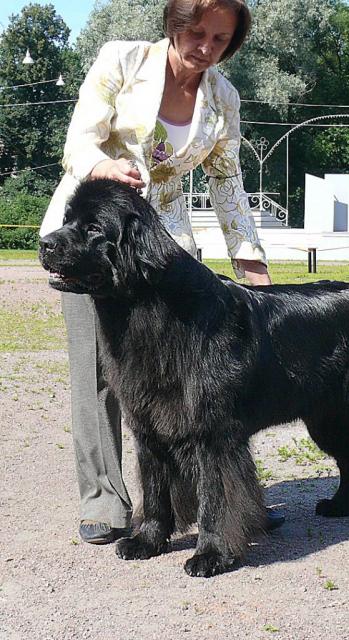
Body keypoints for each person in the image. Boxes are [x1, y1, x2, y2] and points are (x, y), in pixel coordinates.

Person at [40, 0, 285, 544]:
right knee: (104, 375)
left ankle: (212, 504)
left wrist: (250, 257)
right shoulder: (121, 61)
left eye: (220, 39)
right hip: (93, 239)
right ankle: (104, 501)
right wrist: (104, 166)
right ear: (175, 24)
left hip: (166, 251)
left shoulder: (224, 97)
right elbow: (78, 139)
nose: (207, 48)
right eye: (197, 33)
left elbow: (227, 181)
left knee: (183, 382)